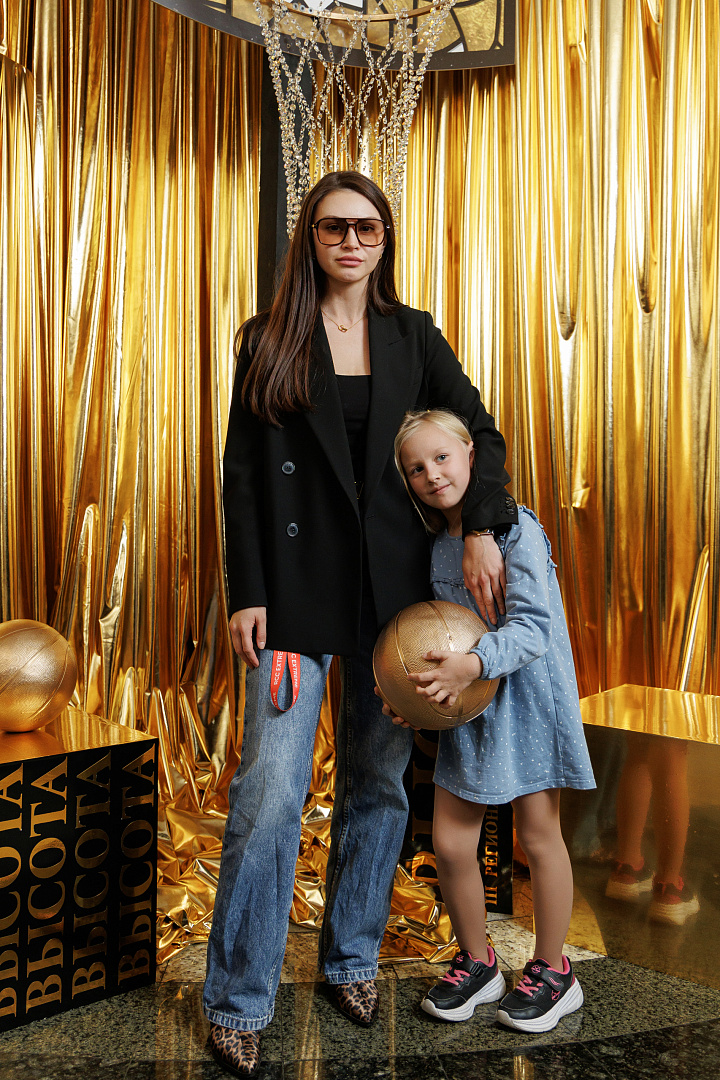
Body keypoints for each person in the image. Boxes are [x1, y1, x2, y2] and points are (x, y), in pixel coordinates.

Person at [203, 172, 518, 1077]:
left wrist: (483, 525)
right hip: (293, 596)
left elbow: (481, 435)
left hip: (394, 600)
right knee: (270, 793)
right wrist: (247, 591)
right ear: (310, 236)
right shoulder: (267, 338)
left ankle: (349, 960)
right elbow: (243, 478)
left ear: (385, 240)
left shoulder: (412, 334)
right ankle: (237, 1001)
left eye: (367, 228)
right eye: (335, 226)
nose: (351, 241)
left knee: (379, 784)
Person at [388, 408, 596, 1032]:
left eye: (442, 458)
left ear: (471, 457)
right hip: (472, 710)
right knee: (452, 842)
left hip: (527, 701)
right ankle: (479, 963)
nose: (432, 474)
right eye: (416, 468)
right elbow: (437, 632)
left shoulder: (516, 530)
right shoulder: (436, 544)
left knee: (538, 835)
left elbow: (533, 628)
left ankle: (555, 972)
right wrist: (413, 691)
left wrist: (471, 665)